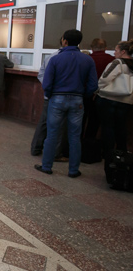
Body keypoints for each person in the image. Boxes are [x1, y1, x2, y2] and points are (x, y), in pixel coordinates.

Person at [35, 29, 98, 178]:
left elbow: (47, 83)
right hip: (77, 100)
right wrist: (83, 95)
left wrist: (50, 95)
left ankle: (47, 166)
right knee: (75, 136)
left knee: (52, 134)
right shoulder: (88, 60)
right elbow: (93, 85)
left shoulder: (56, 59)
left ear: (64, 41)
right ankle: (73, 170)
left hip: (57, 99)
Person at [96, 40, 133, 161]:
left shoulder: (118, 63)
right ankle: (122, 153)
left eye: (116, 50)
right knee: (121, 128)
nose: (114, 53)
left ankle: (109, 155)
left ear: (123, 52)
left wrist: (98, 90)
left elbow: (104, 78)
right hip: (127, 101)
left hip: (110, 98)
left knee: (108, 128)